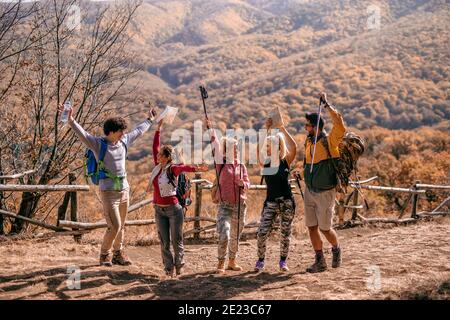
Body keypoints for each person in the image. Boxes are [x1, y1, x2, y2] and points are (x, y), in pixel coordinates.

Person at [59, 103, 157, 267]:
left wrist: (150, 120)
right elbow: (82, 134)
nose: (123, 134)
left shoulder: (124, 141)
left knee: (122, 226)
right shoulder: (98, 144)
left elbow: (139, 131)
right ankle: (104, 254)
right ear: (111, 132)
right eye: (120, 131)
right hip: (109, 192)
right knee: (115, 226)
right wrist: (70, 120)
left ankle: (118, 254)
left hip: (124, 190)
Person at [151, 119, 208, 278]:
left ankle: (179, 266)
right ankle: (168, 268)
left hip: (174, 210)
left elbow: (185, 167)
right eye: (159, 154)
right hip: (159, 210)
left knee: (177, 240)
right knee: (164, 241)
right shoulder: (157, 167)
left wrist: (198, 167)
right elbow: (154, 146)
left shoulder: (173, 169)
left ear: (167, 157)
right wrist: (158, 129)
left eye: (161, 154)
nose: (158, 155)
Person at [303, 92, 346, 273]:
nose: (305, 128)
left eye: (307, 126)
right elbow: (307, 163)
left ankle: (336, 249)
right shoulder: (309, 141)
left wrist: (327, 105)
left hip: (325, 192)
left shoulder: (330, 141)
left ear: (315, 127)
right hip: (309, 190)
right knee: (312, 227)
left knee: (325, 228)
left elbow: (340, 125)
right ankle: (319, 260)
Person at [206, 119, 250, 274]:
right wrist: (211, 128)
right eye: (234, 147)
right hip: (225, 205)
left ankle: (232, 261)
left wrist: (242, 184)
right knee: (224, 233)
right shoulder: (221, 163)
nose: (237, 149)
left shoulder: (241, 166)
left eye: (237, 147)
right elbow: (216, 145)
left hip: (240, 205)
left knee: (235, 236)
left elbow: (248, 183)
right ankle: (220, 263)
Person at [255, 116, 297, 272]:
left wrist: (282, 128)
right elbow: (258, 150)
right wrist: (266, 130)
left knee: (285, 234)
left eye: (270, 145)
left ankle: (282, 262)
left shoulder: (286, 161)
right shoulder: (265, 162)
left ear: (278, 146)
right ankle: (260, 260)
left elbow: (294, 146)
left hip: (287, 202)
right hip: (271, 202)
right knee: (262, 233)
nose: (267, 147)